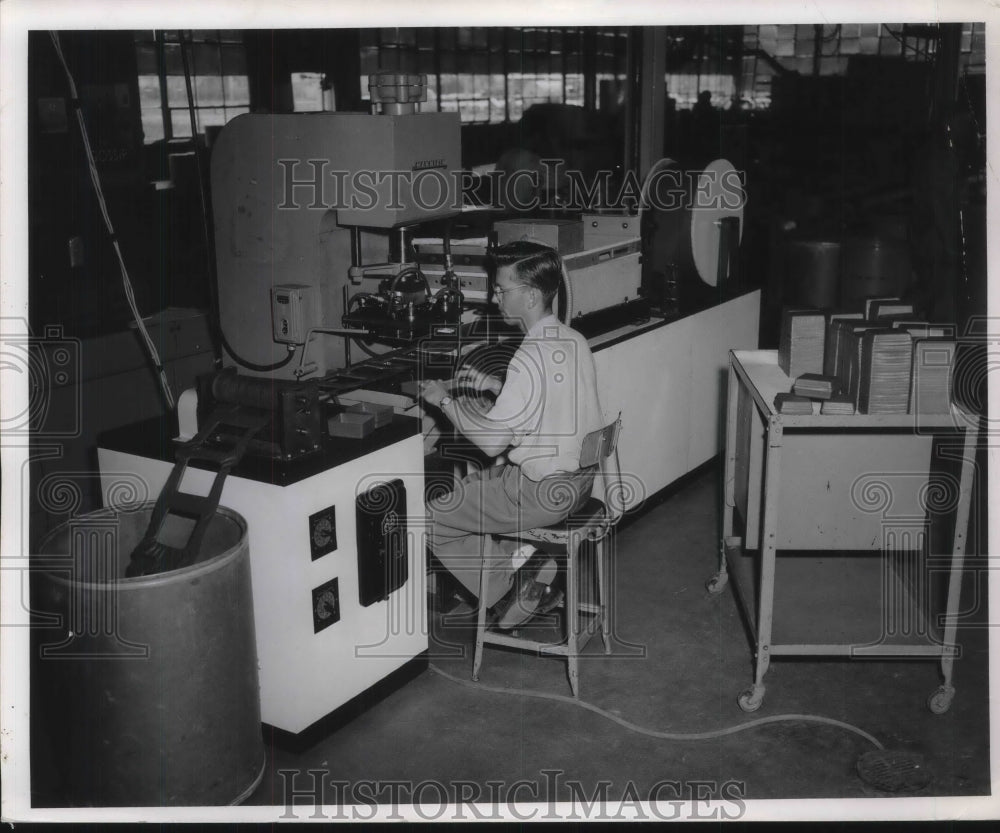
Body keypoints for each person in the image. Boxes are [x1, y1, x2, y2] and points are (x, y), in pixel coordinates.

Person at [419, 241, 604, 629]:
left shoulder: (527, 356)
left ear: (532, 295)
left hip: (541, 495)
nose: (494, 297)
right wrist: (494, 385)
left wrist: (444, 401)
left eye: (502, 290)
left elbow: (491, 444)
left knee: (431, 519)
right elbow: (548, 399)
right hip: (581, 484)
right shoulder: (573, 339)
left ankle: (508, 589)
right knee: (475, 485)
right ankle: (526, 562)